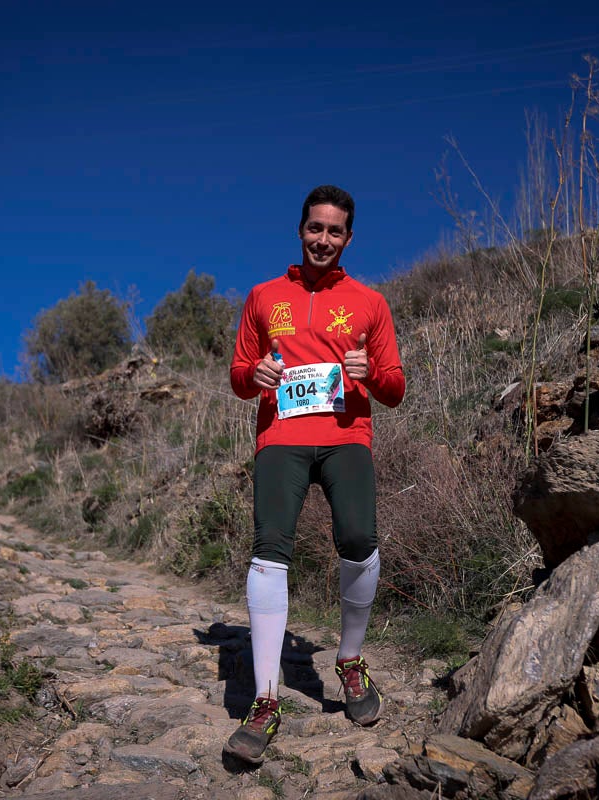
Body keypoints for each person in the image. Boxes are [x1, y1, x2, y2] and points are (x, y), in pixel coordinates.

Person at [224, 185, 405, 764]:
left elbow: (395, 389)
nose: (323, 239)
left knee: (358, 538)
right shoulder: (263, 296)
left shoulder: (370, 302)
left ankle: (349, 660)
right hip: (281, 436)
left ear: (348, 238)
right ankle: (265, 700)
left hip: (346, 434)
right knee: (269, 548)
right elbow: (238, 374)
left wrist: (370, 372)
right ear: (300, 230)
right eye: (314, 228)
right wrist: (254, 375)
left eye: (334, 231)